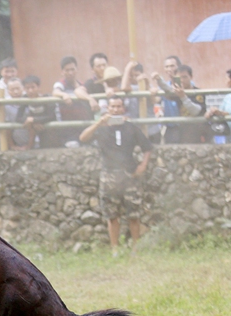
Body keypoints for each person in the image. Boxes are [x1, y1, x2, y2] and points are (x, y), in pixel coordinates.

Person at [79, 95, 153, 257]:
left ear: (123, 108)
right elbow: (83, 138)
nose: (115, 109)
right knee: (112, 215)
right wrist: (99, 122)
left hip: (129, 175)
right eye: (112, 106)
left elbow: (147, 147)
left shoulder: (131, 127)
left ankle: (135, 248)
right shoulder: (101, 128)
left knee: (134, 214)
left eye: (118, 106)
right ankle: (115, 249)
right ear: (108, 108)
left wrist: (143, 165)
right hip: (109, 175)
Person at [153, 63, 206, 144]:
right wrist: (159, 80)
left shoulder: (198, 92)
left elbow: (196, 111)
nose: (181, 80)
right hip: (184, 130)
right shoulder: (179, 92)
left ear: (191, 77)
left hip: (199, 131)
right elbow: (169, 90)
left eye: (184, 77)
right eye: (179, 78)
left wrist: (183, 96)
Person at [52, 56, 92, 146]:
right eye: (67, 70)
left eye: (72, 69)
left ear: (76, 70)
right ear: (62, 72)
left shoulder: (82, 85)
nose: (70, 73)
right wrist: (64, 95)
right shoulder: (61, 84)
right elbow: (55, 92)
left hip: (83, 124)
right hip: (68, 128)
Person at [15, 75, 58, 148]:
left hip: (49, 130)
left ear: (38, 87)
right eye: (27, 88)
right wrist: (32, 122)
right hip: (35, 129)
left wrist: (34, 120)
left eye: (33, 87)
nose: (30, 90)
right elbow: (18, 118)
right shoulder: (24, 99)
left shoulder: (47, 98)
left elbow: (51, 116)